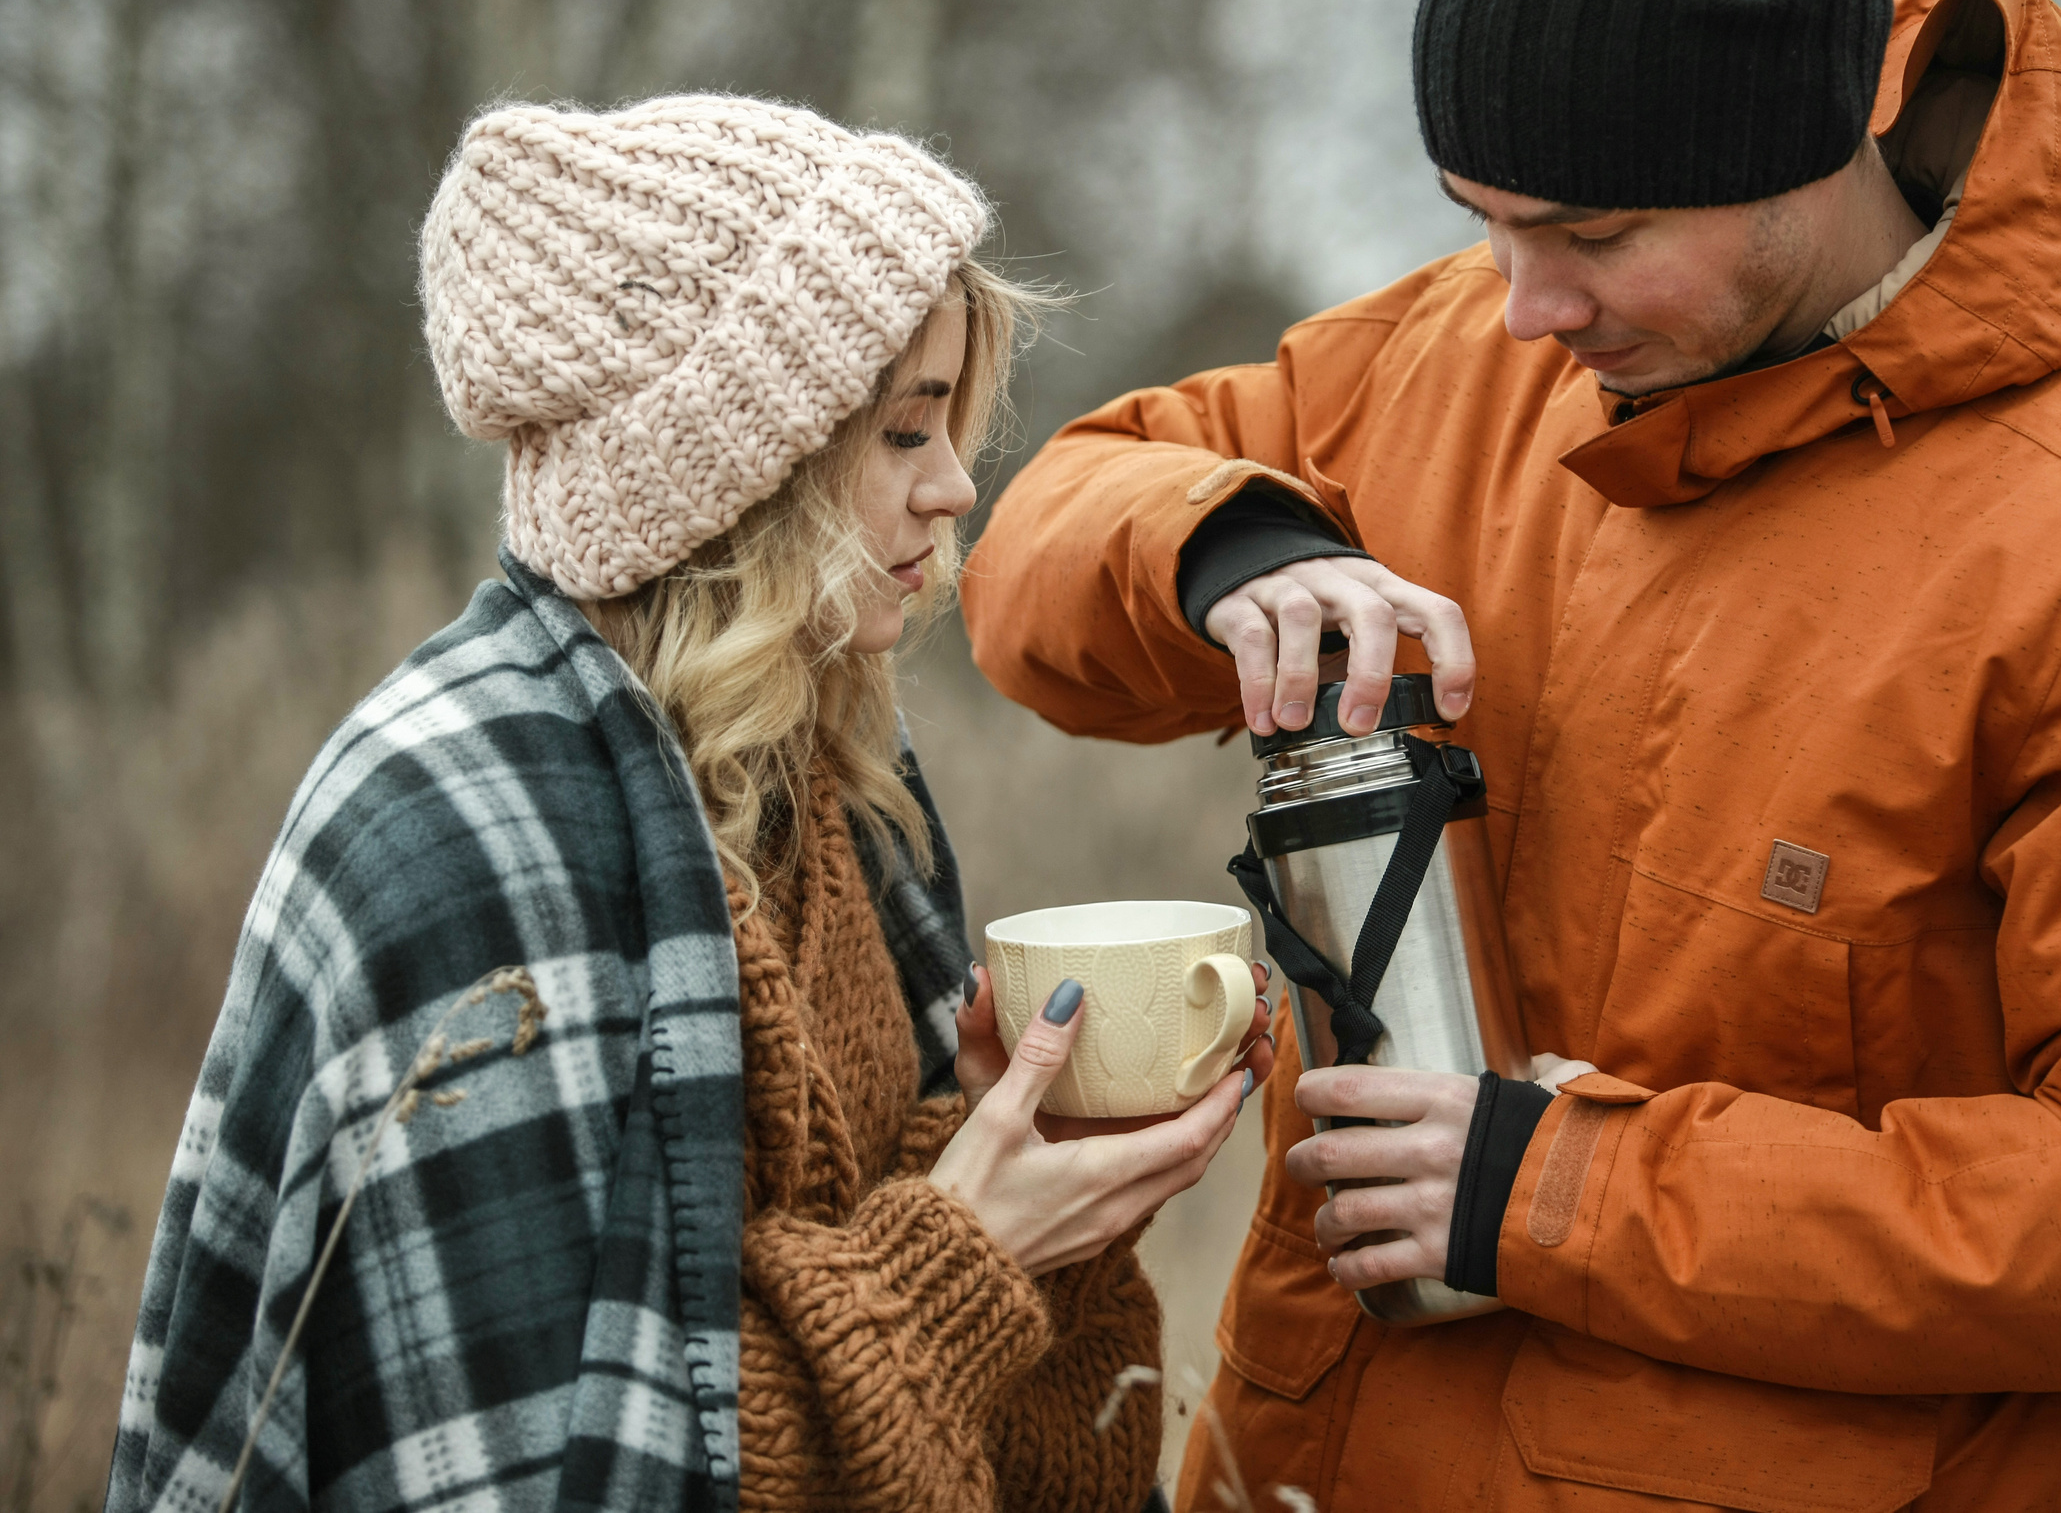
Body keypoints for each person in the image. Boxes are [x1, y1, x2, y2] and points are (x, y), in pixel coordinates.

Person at [960, 0, 2061, 1509]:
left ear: (1800, 150)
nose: (1523, 306)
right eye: (1481, 220)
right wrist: (1230, 551)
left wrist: (1562, 1196)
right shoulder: (1452, 368)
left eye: (1592, 233)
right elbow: (1041, 539)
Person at [107, 95, 1272, 1513]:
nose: (960, 487)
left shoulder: (824, 773)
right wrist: (966, 1251)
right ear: (733, 472)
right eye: (907, 433)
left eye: (954, 425)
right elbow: (556, 1473)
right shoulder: (466, 826)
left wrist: (1002, 1160)